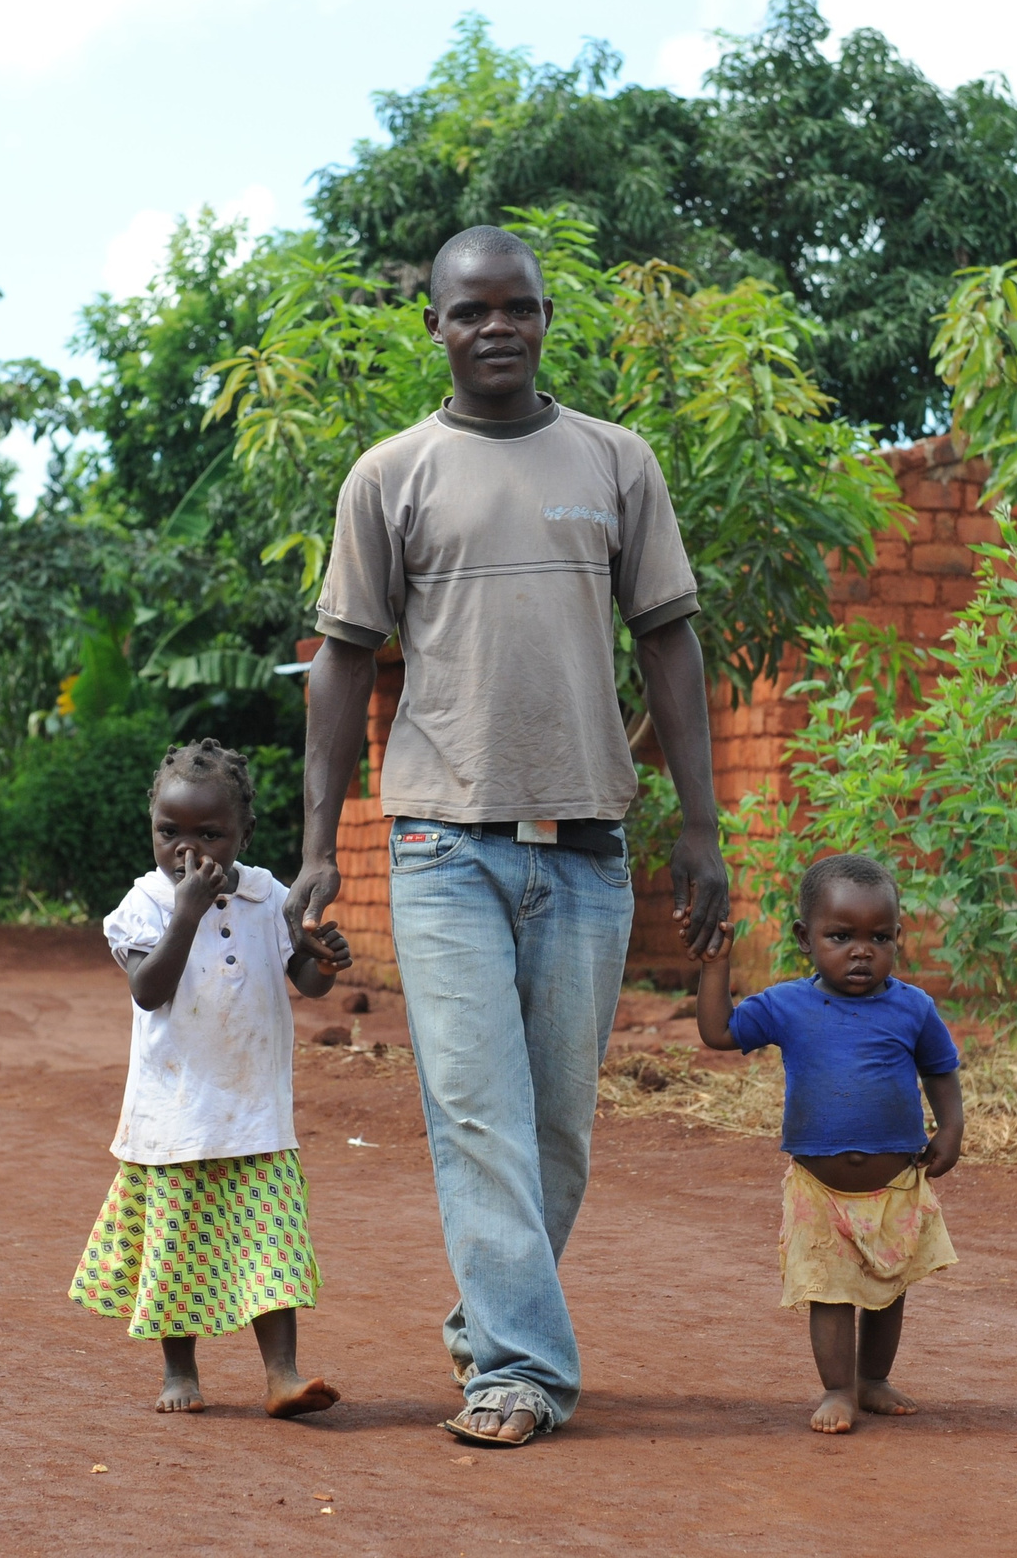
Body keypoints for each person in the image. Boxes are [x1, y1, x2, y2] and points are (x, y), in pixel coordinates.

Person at [289, 224, 731, 1448]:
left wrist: (699, 825)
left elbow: (669, 639)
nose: (497, 328)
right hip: (442, 843)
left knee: (557, 1133)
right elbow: (340, 663)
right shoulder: (390, 475)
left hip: (588, 846)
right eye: (470, 310)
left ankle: (489, 1318)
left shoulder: (615, 460)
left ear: (545, 319)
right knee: (474, 1109)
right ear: (433, 325)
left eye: (518, 308)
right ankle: (520, 1369)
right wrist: (320, 843)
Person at [69, 737, 355, 1418]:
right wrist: (187, 911)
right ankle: (179, 1371)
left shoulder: (268, 897)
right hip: (176, 1115)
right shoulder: (144, 904)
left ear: (243, 833)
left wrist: (324, 959)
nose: (187, 849)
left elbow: (305, 982)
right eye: (170, 832)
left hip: (256, 1111)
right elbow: (148, 988)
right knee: (176, 1248)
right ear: (151, 829)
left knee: (274, 1245)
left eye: (210, 833)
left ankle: (282, 1374)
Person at [694, 852, 964, 1435]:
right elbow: (719, 1032)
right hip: (820, 1191)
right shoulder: (787, 1005)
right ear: (805, 937)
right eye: (841, 936)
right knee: (831, 1292)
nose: (861, 951)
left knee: (889, 1289)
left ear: (898, 937)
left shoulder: (913, 1008)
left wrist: (952, 1128)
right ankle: (838, 1388)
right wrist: (716, 964)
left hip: (896, 1185)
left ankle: (873, 1379)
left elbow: (941, 1070)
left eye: (879, 937)